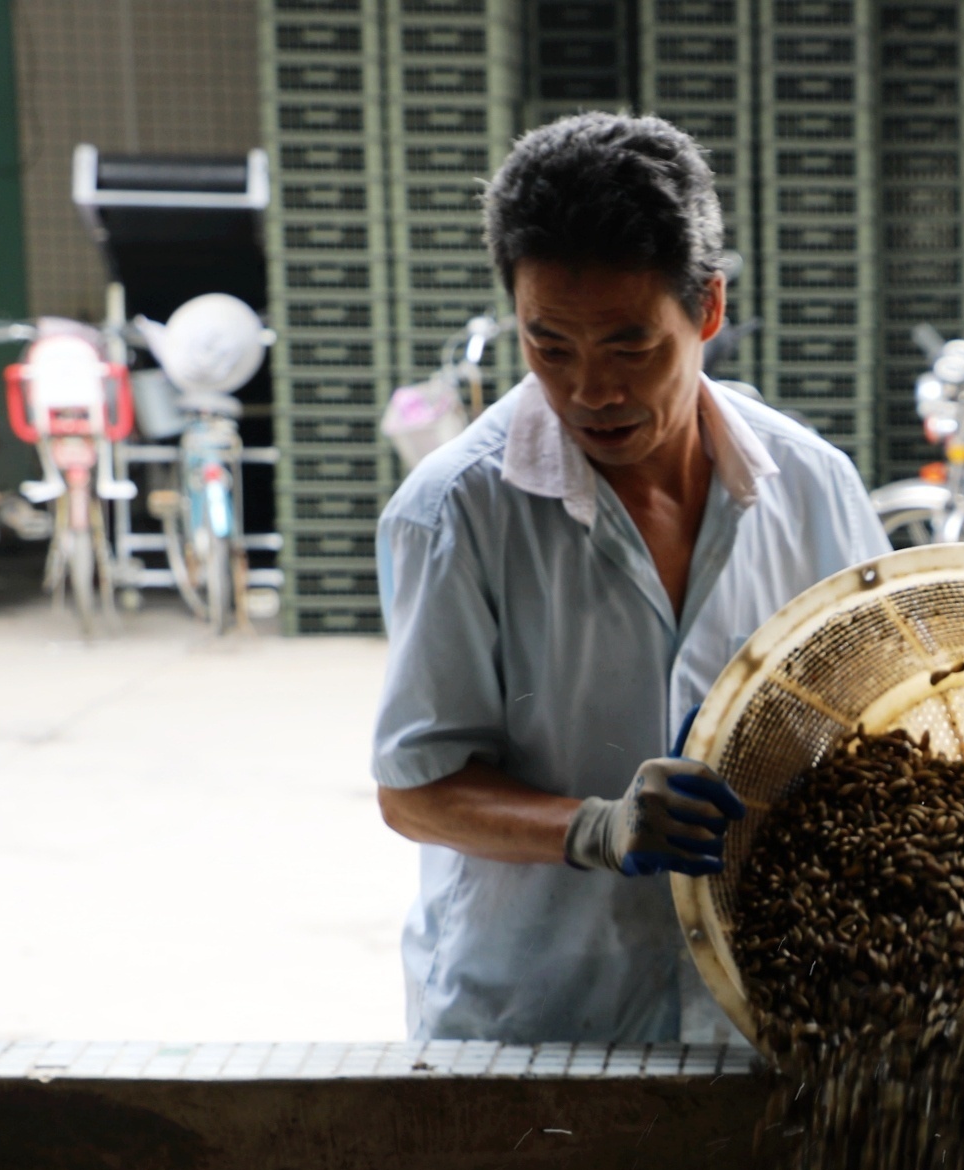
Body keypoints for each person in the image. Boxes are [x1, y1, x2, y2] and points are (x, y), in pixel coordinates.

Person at [369, 113, 882, 1043]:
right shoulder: (454, 514)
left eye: (630, 345)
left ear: (709, 311)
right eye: (549, 346)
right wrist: (596, 828)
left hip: (757, 1019)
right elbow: (415, 789)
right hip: (534, 1027)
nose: (590, 390)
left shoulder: (811, 488)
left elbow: (879, 722)